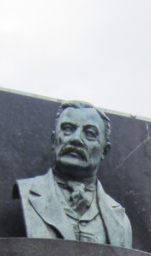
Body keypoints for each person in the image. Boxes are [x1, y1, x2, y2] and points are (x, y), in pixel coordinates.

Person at [13, 101, 132, 247]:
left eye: (89, 134)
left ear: (104, 151)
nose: (75, 139)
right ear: (53, 140)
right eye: (68, 129)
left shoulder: (119, 219)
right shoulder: (28, 192)